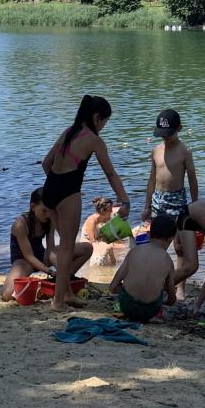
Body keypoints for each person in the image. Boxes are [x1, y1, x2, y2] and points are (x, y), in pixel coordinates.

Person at [39, 95, 129, 311]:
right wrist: (124, 199)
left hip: (49, 189)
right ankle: (58, 301)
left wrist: (57, 181)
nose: (104, 127)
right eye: (105, 122)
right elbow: (110, 173)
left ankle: (66, 293)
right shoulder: (94, 140)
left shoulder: (68, 132)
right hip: (68, 192)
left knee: (66, 245)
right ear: (97, 118)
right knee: (67, 248)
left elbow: (46, 163)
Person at [144, 109, 199, 297]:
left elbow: (192, 179)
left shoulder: (185, 151)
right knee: (158, 247)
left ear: (180, 128)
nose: (166, 139)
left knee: (181, 248)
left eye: (169, 134)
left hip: (179, 200)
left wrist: (196, 204)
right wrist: (147, 205)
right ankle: (151, 281)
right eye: (162, 135)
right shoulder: (156, 151)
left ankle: (179, 289)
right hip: (159, 201)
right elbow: (152, 180)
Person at [0, 187, 91, 301]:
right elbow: (29, 256)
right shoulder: (21, 224)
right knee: (7, 295)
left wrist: (60, 268)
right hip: (24, 260)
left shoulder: (49, 220)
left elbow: (51, 250)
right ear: (33, 207)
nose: (48, 214)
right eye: (44, 211)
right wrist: (50, 271)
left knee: (87, 248)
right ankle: (60, 280)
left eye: (50, 210)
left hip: (42, 255)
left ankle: (64, 279)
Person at [109, 215, 177, 323]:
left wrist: (127, 292)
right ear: (171, 239)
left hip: (127, 308)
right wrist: (163, 301)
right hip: (149, 312)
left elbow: (113, 287)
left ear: (148, 234)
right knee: (162, 290)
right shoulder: (168, 261)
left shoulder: (134, 251)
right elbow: (172, 299)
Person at [83, 196, 121, 266]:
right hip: (88, 244)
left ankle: (113, 262)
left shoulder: (106, 218)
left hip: (99, 240)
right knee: (113, 245)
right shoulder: (92, 221)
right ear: (102, 211)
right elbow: (93, 242)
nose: (112, 211)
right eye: (110, 210)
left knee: (119, 242)